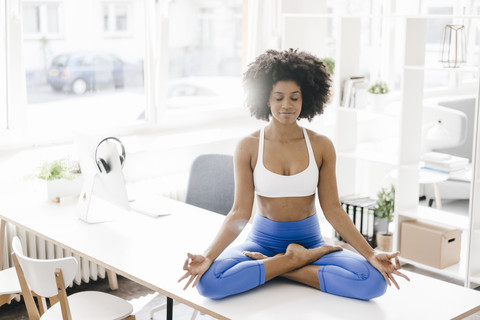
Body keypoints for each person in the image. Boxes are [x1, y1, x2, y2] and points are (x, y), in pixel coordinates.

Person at [179, 48, 409, 300]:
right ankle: (294, 261)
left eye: (294, 98)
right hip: (260, 242)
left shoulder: (321, 145)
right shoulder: (248, 146)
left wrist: (371, 254)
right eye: (278, 97)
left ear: (306, 99)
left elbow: (332, 208)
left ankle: (281, 265)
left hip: (311, 242)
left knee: (373, 282)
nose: (286, 105)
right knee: (209, 283)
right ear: (266, 99)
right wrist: (208, 256)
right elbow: (239, 212)